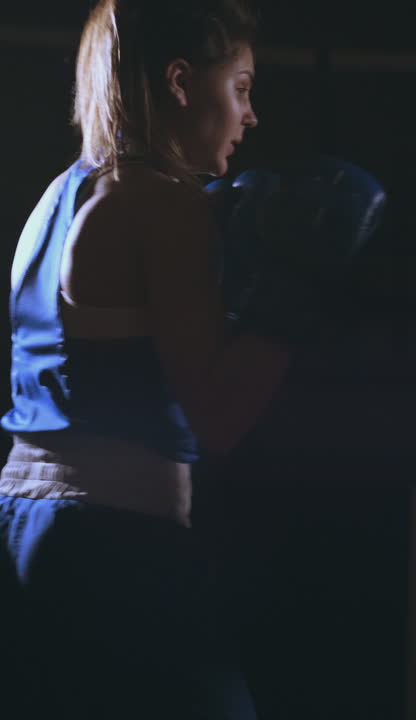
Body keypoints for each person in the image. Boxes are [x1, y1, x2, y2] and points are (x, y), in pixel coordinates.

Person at [0, 1, 359, 716]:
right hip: (115, 543)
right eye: (243, 88)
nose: (249, 117)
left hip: (23, 532)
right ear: (180, 82)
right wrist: (293, 297)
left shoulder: (57, 197)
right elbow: (219, 418)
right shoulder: (164, 205)